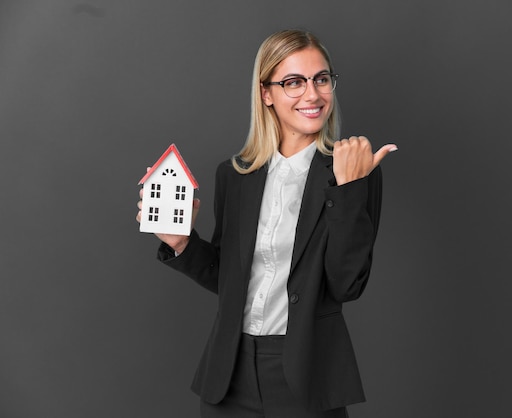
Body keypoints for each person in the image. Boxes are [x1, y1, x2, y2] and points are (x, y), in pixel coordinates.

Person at [136, 29, 397, 418]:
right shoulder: (236, 174)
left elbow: (346, 284)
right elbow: (231, 278)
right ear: (266, 93)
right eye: (294, 82)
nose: (312, 95)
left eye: (321, 79)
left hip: (306, 375)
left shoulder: (353, 173)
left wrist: (348, 190)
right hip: (229, 374)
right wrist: (182, 244)